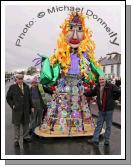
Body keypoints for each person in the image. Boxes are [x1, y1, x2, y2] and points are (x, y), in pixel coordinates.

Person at [84, 76, 121, 146]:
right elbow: (92, 93)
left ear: (105, 80)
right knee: (99, 125)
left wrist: (113, 98)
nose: (101, 81)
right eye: (100, 79)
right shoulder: (97, 87)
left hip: (109, 110)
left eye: (102, 79)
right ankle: (95, 140)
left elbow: (119, 92)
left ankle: (106, 141)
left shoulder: (111, 86)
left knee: (108, 125)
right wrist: (84, 93)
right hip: (101, 110)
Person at [6, 74, 33, 147]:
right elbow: (8, 98)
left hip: (26, 109)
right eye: (19, 79)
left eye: (21, 79)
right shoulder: (12, 87)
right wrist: (13, 105)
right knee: (16, 125)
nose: (20, 80)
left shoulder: (26, 87)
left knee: (26, 124)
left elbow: (29, 98)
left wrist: (32, 106)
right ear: (16, 79)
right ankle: (16, 140)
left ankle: (26, 137)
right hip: (17, 109)